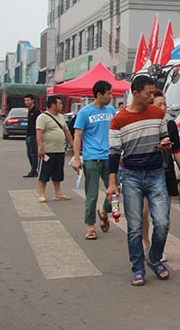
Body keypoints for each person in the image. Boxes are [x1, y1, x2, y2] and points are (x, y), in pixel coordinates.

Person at [106, 75, 180, 286]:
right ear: (135, 93)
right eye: (148, 93)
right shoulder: (118, 120)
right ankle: (137, 268)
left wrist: (165, 143)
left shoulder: (158, 113)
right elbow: (114, 153)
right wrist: (112, 182)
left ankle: (154, 258)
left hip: (156, 173)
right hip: (131, 176)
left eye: (154, 93)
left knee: (162, 222)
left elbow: (164, 138)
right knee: (134, 226)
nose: (152, 97)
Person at [141, 90, 180, 262]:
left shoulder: (170, 125)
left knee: (163, 215)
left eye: (165, 104)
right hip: (145, 171)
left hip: (165, 172)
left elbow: (177, 150)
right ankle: (146, 243)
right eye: (159, 104)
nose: (163, 107)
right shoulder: (144, 124)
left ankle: (159, 248)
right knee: (144, 211)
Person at [71, 80, 116, 240]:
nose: (111, 96)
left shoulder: (111, 110)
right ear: (99, 95)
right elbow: (77, 136)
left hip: (110, 157)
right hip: (91, 158)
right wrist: (77, 159)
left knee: (114, 191)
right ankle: (90, 227)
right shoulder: (85, 112)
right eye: (109, 93)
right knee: (91, 195)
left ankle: (104, 211)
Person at [36, 96, 75, 202]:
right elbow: (39, 133)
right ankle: (42, 194)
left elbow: (67, 132)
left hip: (60, 150)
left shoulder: (61, 117)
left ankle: (58, 193)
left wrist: (72, 144)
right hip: (48, 151)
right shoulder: (43, 117)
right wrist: (41, 148)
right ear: (53, 105)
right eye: (60, 104)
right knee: (44, 173)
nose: (62, 106)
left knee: (58, 173)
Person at [24, 95, 42, 178]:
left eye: (28, 100)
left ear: (33, 101)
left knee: (34, 154)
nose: (26, 102)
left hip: (34, 136)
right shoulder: (29, 110)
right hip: (28, 135)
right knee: (29, 154)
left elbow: (39, 125)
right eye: (25, 101)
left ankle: (34, 170)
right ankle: (33, 169)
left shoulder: (36, 111)